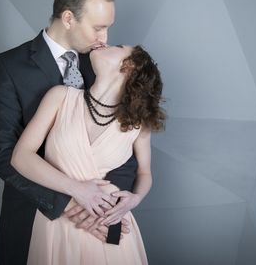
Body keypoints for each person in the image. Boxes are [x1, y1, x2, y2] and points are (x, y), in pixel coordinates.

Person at [0, 0, 139, 265]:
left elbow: (125, 145)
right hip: (34, 219)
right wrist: (70, 203)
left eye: (108, 28)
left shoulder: (105, 64)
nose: (104, 39)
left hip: (99, 226)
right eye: (98, 28)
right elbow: (3, 154)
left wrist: (110, 209)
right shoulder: (8, 67)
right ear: (69, 18)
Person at [11, 44, 165, 264]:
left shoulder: (138, 124)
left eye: (118, 46)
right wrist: (77, 190)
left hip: (107, 220)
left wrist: (135, 199)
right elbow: (21, 156)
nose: (105, 42)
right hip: (57, 223)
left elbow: (144, 172)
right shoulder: (60, 97)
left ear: (129, 66)